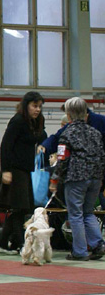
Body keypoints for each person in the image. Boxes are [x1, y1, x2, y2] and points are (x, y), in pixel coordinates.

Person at [0, 91, 47, 254]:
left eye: (40, 107)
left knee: (20, 209)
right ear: (26, 105)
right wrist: (6, 170)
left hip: (25, 169)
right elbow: (6, 146)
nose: (37, 110)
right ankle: (21, 245)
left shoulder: (35, 121)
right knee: (18, 208)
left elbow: (41, 137)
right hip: (14, 169)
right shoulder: (18, 121)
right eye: (34, 106)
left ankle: (1, 244)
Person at [49, 97, 105, 261]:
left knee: (75, 215)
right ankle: (98, 244)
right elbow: (102, 156)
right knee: (88, 213)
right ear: (86, 114)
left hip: (76, 178)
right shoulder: (96, 133)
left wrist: (54, 179)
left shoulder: (66, 134)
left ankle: (79, 251)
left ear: (69, 115)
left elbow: (62, 159)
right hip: (95, 177)